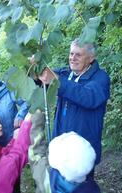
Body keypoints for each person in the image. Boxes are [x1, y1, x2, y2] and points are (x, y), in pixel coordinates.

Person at [38, 38, 110, 192]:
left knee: (81, 188)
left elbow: (89, 98)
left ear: (91, 58)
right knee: (58, 185)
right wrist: (35, 68)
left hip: (82, 151)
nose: (72, 58)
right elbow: (43, 78)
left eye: (78, 55)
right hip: (61, 147)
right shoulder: (66, 73)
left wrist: (57, 81)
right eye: (71, 53)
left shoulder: (100, 78)